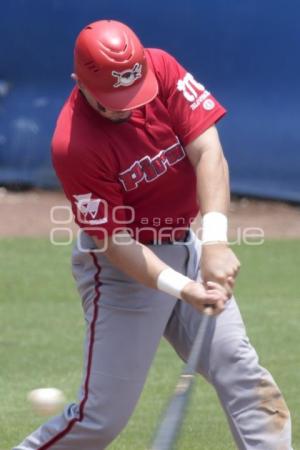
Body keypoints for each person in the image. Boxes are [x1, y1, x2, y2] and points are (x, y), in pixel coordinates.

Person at [14, 19, 292, 450]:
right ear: (79, 82)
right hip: (122, 272)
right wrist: (183, 288)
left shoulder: (161, 68)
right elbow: (116, 242)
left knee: (243, 375)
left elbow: (208, 152)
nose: (123, 108)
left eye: (130, 94)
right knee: (100, 419)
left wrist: (214, 241)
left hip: (188, 246)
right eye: (110, 101)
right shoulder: (73, 144)